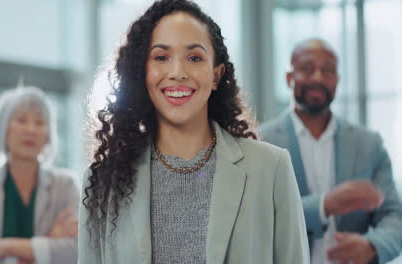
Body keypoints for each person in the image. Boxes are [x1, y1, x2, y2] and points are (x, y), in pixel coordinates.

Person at [78, 0, 309, 263]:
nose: (178, 73)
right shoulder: (102, 182)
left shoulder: (271, 168)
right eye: (161, 57)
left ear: (216, 76)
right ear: (143, 72)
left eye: (194, 58)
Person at [260, 38, 402, 264]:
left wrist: (372, 245)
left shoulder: (369, 144)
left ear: (337, 80)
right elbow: (258, 218)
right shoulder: (260, 143)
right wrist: (324, 205)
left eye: (328, 70)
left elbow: (394, 216)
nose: (318, 77)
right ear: (289, 78)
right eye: (307, 68)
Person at [0, 86, 79, 264]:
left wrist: (3, 247)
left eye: (39, 123)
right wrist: (49, 242)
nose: (31, 130)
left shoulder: (66, 185)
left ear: (49, 136)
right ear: (3, 130)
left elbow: (76, 252)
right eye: (21, 120)